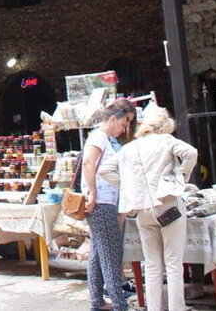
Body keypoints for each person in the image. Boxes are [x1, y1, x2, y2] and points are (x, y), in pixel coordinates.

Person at [100, 105, 198, 311]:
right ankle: (176, 308)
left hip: (144, 209)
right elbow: (191, 152)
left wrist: (127, 186)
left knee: (152, 265)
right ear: (164, 127)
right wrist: (181, 176)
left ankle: (153, 308)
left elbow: (105, 170)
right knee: (173, 264)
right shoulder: (166, 140)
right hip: (168, 204)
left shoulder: (129, 148)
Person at [82, 105, 133, 311]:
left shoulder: (102, 138)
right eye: (123, 124)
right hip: (101, 201)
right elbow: (88, 163)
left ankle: (97, 300)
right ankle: (119, 303)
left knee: (97, 252)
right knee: (111, 252)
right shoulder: (99, 137)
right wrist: (92, 192)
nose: (124, 129)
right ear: (112, 119)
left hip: (104, 200)